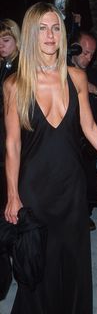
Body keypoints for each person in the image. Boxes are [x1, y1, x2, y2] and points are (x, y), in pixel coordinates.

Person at [3, 2, 97, 314]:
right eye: (42, 28)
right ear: (31, 35)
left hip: (71, 187)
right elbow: (12, 145)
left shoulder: (76, 77)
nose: (50, 35)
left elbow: (89, 128)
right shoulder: (14, 85)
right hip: (35, 190)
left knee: (73, 262)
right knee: (39, 266)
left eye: (56, 27)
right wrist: (12, 195)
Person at [69, 31, 97, 231]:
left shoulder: (93, 74)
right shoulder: (59, 71)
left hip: (87, 137)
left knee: (93, 185)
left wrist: (95, 90)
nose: (88, 57)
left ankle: (86, 210)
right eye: (85, 52)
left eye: (92, 54)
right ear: (74, 48)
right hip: (66, 137)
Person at [0, 19, 21, 210]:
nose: (1, 45)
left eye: (5, 40)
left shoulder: (20, 66)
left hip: (13, 131)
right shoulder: (5, 64)